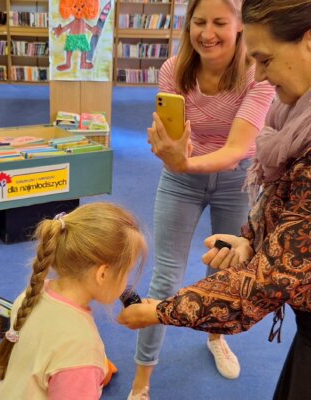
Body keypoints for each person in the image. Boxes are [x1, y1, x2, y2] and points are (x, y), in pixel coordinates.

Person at [118, 0, 311, 399]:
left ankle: (213, 337)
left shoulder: (271, 95)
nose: (208, 33)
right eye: (199, 22)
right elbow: (290, 231)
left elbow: (267, 280)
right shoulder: (178, 70)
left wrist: (159, 311)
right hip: (182, 179)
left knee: (221, 275)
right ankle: (142, 380)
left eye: (220, 22)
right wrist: (253, 241)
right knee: (173, 272)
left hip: (228, 179)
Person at [0, 202, 148, 400]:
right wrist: (84, 371)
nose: (128, 282)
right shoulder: (81, 348)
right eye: (127, 272)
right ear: (102, 274)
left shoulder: (33, 294)